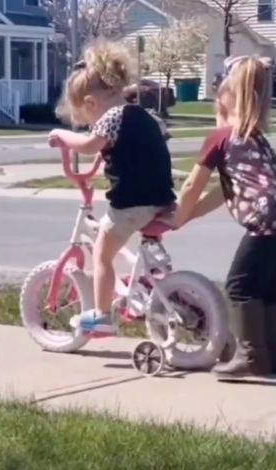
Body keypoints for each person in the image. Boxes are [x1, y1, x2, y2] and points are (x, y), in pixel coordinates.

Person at [172, 56, 276, 377]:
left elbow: (193, 185)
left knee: (239, 287)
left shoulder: (219, 138)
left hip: (267, 218)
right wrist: (186, 218)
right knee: (271, 287)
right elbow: (222, 194)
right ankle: (274, 356)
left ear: (225, 99)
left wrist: (175, 217)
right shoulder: (253, 139)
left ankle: (251, 356)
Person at [48, 40, 176, 336]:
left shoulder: (111, 118)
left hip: (132, 204)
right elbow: (150, 146)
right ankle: (151, 289)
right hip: (162, 199)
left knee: (102, 255)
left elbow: (91, 145)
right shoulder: (144, 115)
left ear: (92, 104)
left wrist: (63, 137)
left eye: (85, 117)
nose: (90, 123)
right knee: (133, 249)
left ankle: (102, 316)